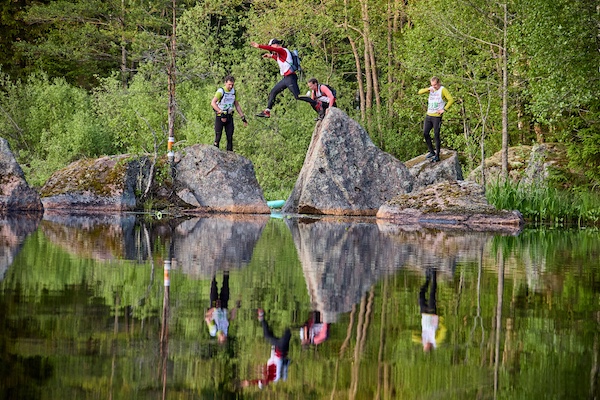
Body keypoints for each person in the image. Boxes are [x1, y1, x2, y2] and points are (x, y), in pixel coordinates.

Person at [250, 39, 316, 118]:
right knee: (273, 91)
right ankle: (267, 111)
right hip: (286, 79)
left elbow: (273, 49)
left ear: (276, 44)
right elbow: (280, 60)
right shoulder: (280, 54)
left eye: (271, 46)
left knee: (297, 96)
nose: (272, 49)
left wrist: (259, 46)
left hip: (290, 78)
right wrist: (270, 56)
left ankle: (316, 103)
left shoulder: (282, 50)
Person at [241, 309, 291, 388]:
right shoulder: (273, 378)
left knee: (267, 336)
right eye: (263, 381)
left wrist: (250, 382)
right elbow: (265, 380)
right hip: (281, 349)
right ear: (266, 383)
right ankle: (292, 323)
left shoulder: (267, 371)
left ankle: (261, 317)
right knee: (287, 332)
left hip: (276, 346)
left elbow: (259, 380)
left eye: (262, 379)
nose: (263, 378)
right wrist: (252, 382)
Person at [418, 76, 454, 162]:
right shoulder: (431, 89)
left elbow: (451, 100)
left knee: (436, 134)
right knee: (425, 133)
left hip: (437, 116)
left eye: (435, 85)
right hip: (429, 115)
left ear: (438, 83)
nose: (433, 86)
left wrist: (444, 109)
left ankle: (437, 155)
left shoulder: (442, 90)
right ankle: (431, 151)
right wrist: (428, 89)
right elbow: (419, 92)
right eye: (432, 85)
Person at [211, 75, 247, 151]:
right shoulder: (221, 91)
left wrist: (242, 117)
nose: (231, 86)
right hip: (220, 116)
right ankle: (215, 153)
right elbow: (213, 103)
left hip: (229, 116)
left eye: (232, 85)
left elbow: (237, 105)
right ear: (225, 83)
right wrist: (220, 111)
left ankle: (230, 154)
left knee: (230, 137)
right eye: (229, 84)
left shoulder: (234, 92)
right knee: (218, 137)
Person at [205, 271, 239, 344]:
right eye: (224, 336)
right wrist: (236, 307)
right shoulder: (225, 330)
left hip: (215, 306)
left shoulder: (213, 331)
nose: (223, 334)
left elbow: (207, 317)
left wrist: (214, 308)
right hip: (224, 306)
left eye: (222, 336)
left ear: (218, 338)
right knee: (226, 284)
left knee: (213, 285)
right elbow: (230, 319)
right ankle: (226, 268)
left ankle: (213, 270)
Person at [417, 268, 446, 352]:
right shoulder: (435, 340)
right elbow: (443, 330)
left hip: (424, 313)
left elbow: (413, 336)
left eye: (424, 346)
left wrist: (419, 340)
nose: (424, 344)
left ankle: (427, 279)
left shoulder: (424, 340)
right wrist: (439, 319)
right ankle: (433, 274)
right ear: (429, 346)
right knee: (432, 293)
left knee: (421, 294)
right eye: (425, 346)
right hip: (432, 314)